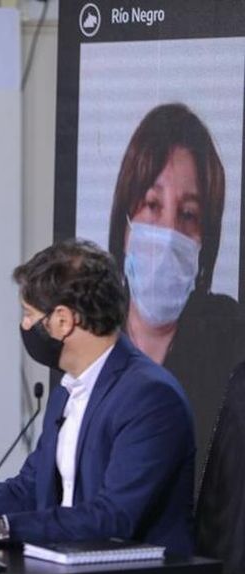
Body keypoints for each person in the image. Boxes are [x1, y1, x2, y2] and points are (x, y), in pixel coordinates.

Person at [0, 240, 195, 555]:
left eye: (29, 314)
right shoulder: (66, 392)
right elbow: (28, 489)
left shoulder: (149, 398)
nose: (24, 325)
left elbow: (113, 518)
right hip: (64, 570)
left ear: (63, 320)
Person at [107, 102, 245, 476]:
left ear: (206, 241)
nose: (168, 235)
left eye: (187, 215)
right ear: (124, 224)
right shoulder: (92, 337)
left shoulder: (227, 341)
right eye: (152, 205)